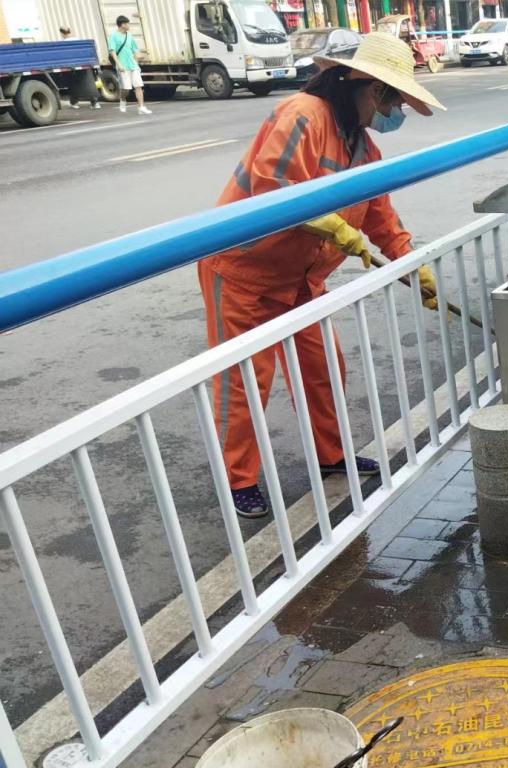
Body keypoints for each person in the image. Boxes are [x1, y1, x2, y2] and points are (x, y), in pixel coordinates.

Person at [198, 33, 444, 518]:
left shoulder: (364, 149)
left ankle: (331, 455)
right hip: (245, 269)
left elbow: (381, 215)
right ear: (373, 89)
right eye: (395, 101)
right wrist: (333, 225)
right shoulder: (303, 115)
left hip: (301, 279)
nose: (396, 113)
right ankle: (237, 477)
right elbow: (275, 186)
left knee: (323, 368)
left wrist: (411, 265)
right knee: (245, 381)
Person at [108, 15, 150, 114]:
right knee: (126, 89)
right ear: (122, 24)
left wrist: (136, 61)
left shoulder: (129, 35)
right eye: (127, 23)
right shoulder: (113, 36)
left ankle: (141, 107)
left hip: (133, 65)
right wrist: (119, 64)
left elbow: (135, 49)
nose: (128, 25)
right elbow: (112, 51)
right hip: (123, 66)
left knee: (138, 86)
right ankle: (123, 99)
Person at [59, 26, 102, 109]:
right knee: (89, 83)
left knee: (74, 85)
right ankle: (95, 103)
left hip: (71, 67)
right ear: (70, 31)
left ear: (62, 33)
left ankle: (74, 103)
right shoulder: (79, 40)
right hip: (84, 65)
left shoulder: (62, 43)